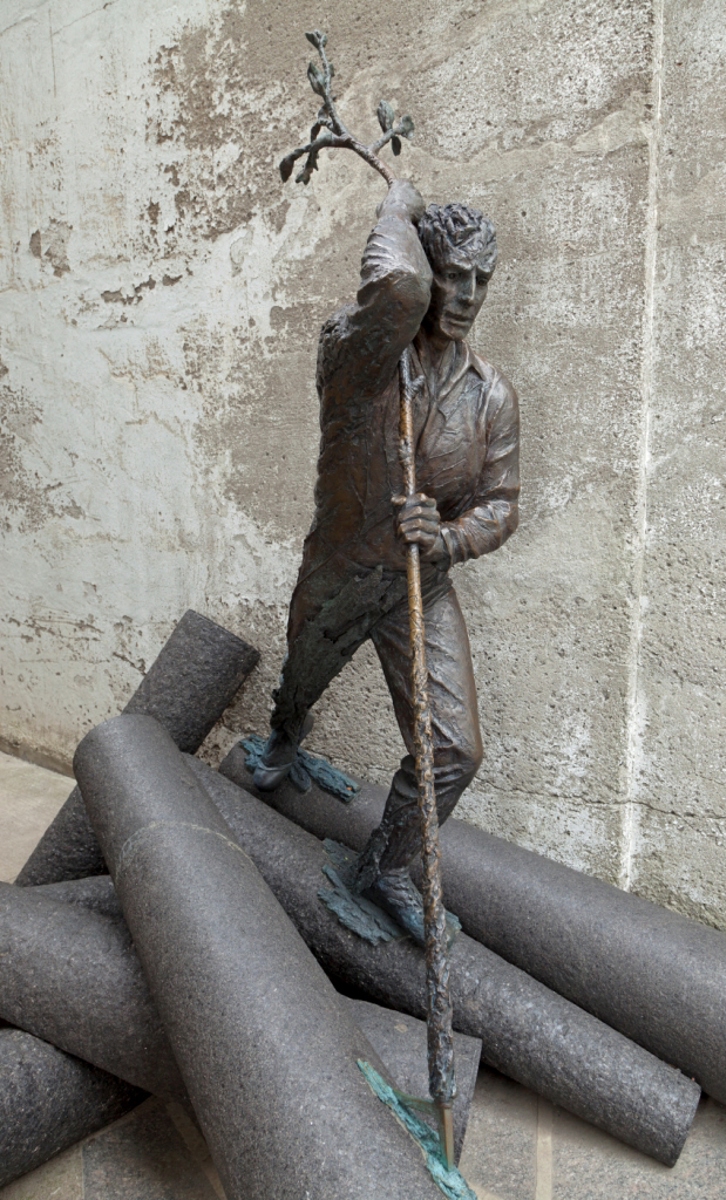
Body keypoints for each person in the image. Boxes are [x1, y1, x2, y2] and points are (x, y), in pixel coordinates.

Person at [255, 178, 520, 942]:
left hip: (418, 584)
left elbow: (502, 503)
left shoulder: (491, 398)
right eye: (453, 276)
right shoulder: (359, 353)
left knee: (455, 750)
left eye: (481, 280)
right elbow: (396, 288)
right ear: (428, 272)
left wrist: (447, 538)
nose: (466, 296)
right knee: (302, 679)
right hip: (343, 570)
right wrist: (397, 209)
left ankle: (384, 866)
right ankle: (284, 735)